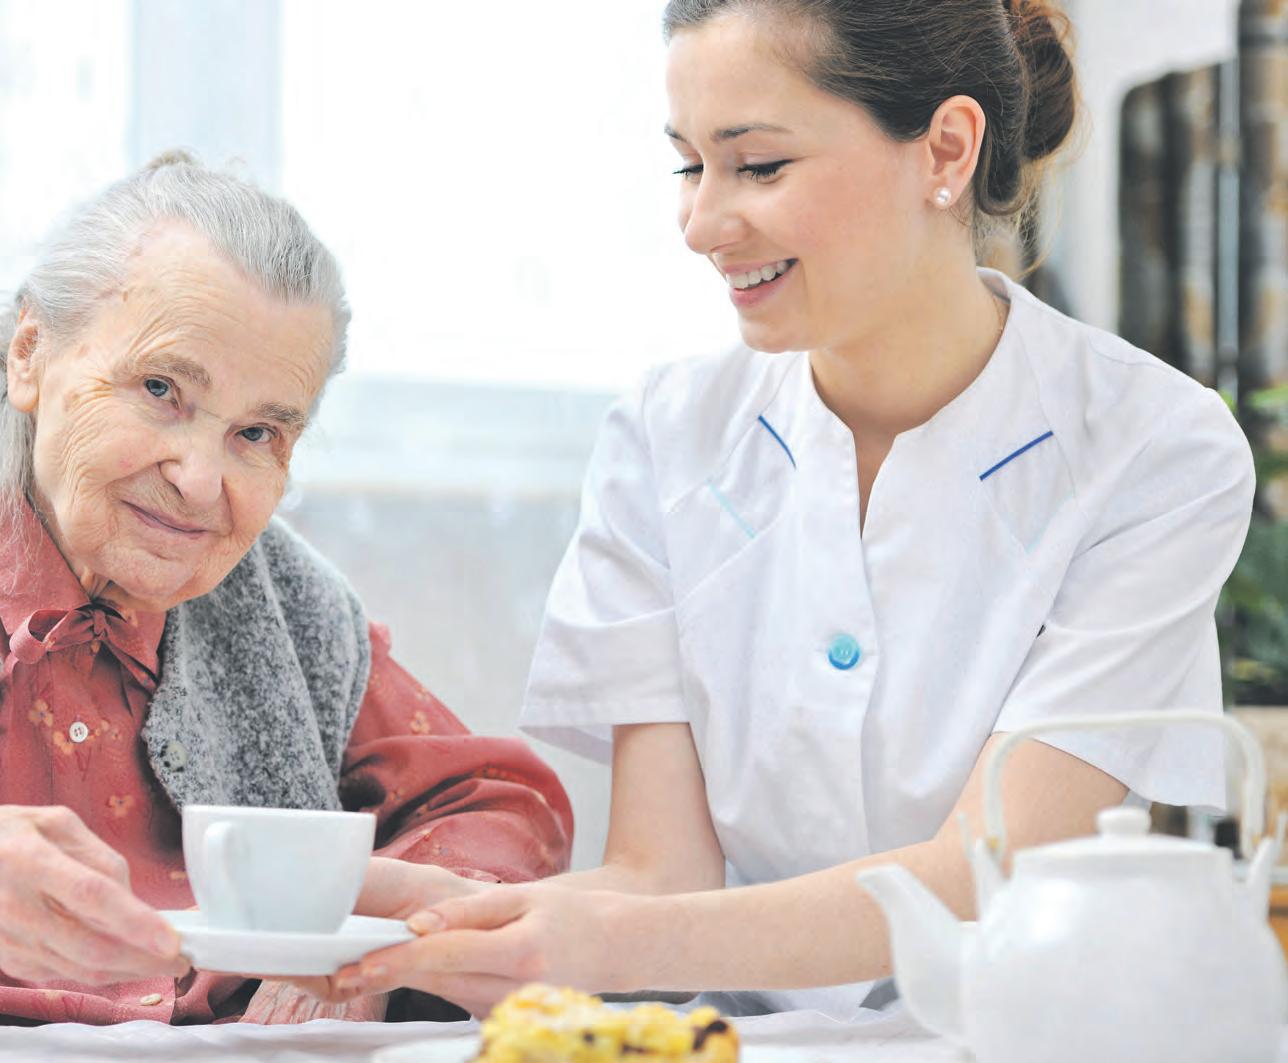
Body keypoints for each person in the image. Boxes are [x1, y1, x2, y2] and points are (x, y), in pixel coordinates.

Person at [320, 0, 1256, 1018]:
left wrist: (613, 939)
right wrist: (441, 915)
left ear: (945, 149)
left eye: (758, 165)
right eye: (689, 166)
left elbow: (984, 875)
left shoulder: (1154, 449)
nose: (699, 225)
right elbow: (661, 876)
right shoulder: (665, 437)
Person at [0, 151, 572, 1035]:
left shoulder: (290, 606)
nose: (199, 479)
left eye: (257, 433)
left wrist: (384, 942)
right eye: (161, 390)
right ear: (31, 355)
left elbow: (502, 805)